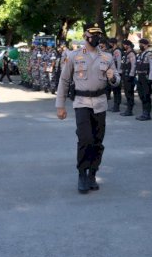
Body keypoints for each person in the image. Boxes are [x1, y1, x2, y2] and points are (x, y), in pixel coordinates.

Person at [55, 23, 119, 194]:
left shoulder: (107, 57)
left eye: (98, 35)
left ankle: (92, 173)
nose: (96, 38)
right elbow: (64, 81)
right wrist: (60, 105)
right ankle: (82, 173)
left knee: (98, 141)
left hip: (100, 103)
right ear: (85, 36)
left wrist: (113, 78)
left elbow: (116, 78)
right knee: (85, 139)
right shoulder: (74, 56)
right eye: (93, 35)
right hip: (82, 102)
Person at [135, 38, 152, 121]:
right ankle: (144, 112)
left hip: (146, 76)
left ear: (146, 45)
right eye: (140, 44)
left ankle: (147, 113)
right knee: (141, 94)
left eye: (142, 44)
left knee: (146, 95)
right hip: (140, 76)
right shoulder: (140, 54)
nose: (140, 46)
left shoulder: (149, 54)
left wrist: (150, 77)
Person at [120, 39, 137, 116]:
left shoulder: (131, 54)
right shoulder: (126, 53)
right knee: (127, 93)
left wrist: (131, 74)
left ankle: (129, 110)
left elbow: (133, 65)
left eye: (124, 45)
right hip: (125, 75)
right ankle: (128, 110)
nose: (123, 46)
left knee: (129, 93)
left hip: (129, 76)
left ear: (128, 45)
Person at [109, 38, 123, 112]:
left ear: (113, 43)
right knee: (114, 90)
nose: (109, 44)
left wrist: (117, 73)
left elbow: (119, 62)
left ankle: (117, 106)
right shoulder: (113, 51)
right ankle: (115, 105)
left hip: (117, 73)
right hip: (114, 73)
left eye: (110, 43)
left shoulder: (117, 51)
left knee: (117, 90)